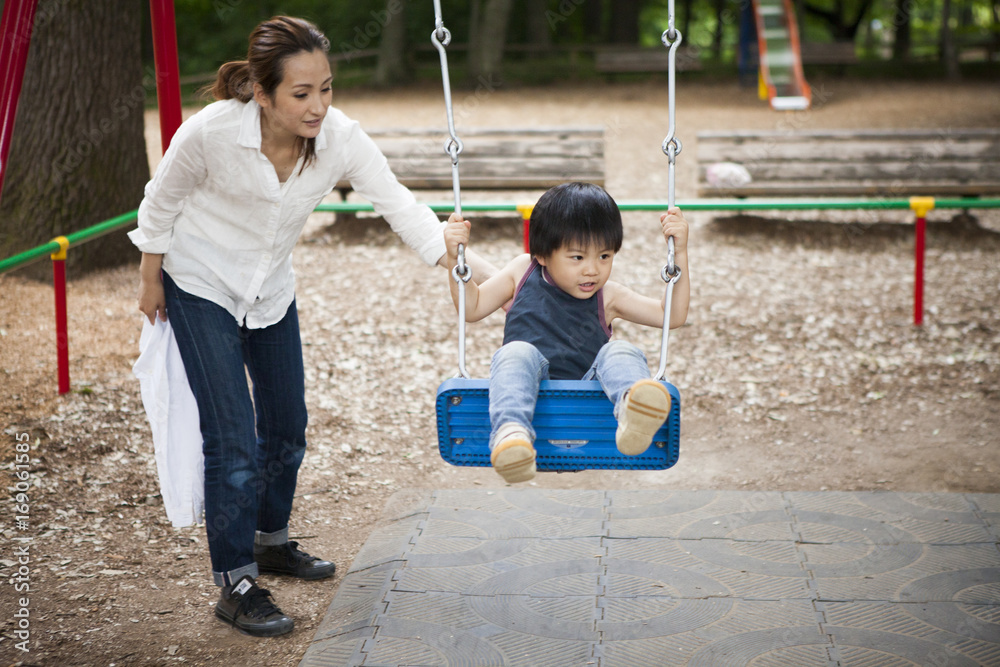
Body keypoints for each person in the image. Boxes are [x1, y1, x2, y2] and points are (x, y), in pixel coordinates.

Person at [129, 16, 494, 637]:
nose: (319, 105)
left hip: (269, 289)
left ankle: (271, 540)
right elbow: (160, 202)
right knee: (233, 439)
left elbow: (398, 202)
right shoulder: (210, 134)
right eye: (302, 93)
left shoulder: (340, 137)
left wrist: (480, 271)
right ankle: (236, 581)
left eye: (325, 88)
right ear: (262, 93)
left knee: (287, 427)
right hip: (200, 283)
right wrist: (149, 277)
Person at [443, 182, 690, 483]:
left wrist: (680, 252)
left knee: (620, 350)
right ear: (543, 255)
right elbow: (473, 307)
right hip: (531, 406)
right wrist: (455, 257)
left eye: (604, 256)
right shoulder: (523, 271)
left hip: (588, 413)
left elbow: (671, 316)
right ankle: (511, 436)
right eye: (577, 257)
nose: (592, 270)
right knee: (516, 352)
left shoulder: (608, 296)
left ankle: (632, 413)